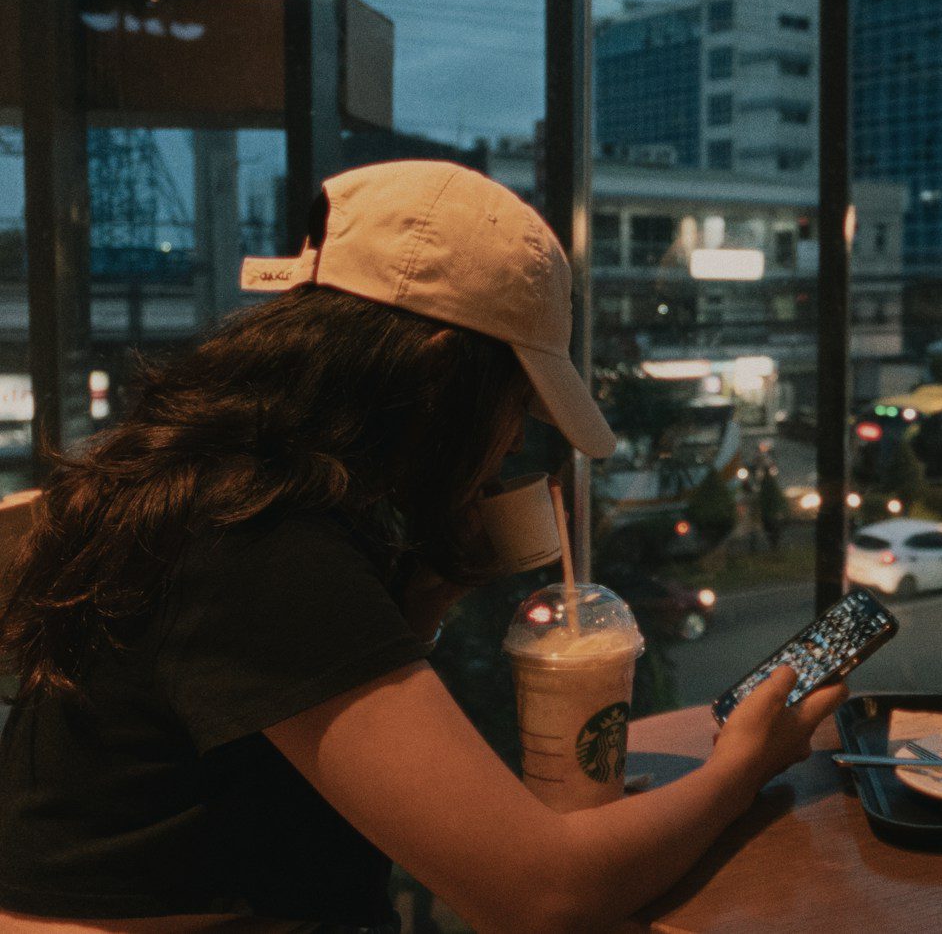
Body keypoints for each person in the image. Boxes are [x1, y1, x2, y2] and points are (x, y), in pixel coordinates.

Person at [0, 161, 846, 933]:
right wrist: (741, 769)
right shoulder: (259, 540)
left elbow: (285, 769)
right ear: (441, 377)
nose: (507, 444)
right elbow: (541, 895)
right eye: (513, 407)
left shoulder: (231, 488)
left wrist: (423, 600)